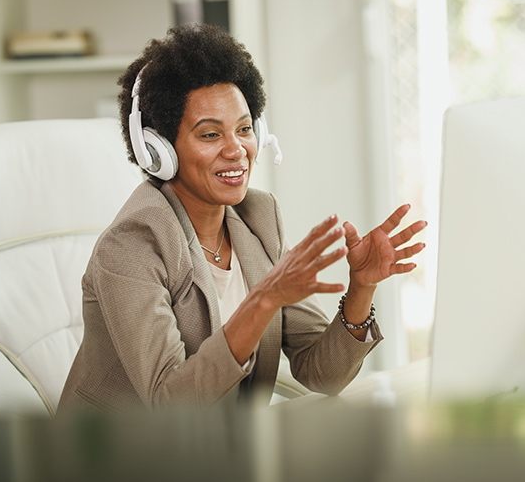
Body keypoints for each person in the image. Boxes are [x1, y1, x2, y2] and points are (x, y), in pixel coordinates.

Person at [57, 24, 427, 412]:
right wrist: (263, 301)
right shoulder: (133, 244)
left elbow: (322, 373)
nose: (237, 150)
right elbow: (169, 402)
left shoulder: (259, 219)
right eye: (210, 135)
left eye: (245, 129)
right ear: (159, 151)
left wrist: (361, 288)